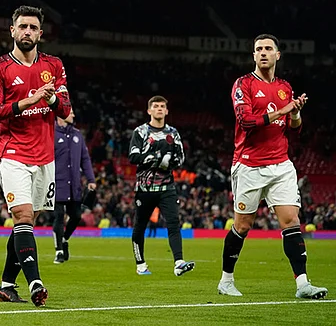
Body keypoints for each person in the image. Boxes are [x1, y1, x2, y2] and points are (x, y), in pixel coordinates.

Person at [218, 34, 327, 299]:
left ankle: (302, 284)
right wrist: (282, 110)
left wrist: (295, 112)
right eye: (258, 49)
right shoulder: (242, 84)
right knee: (242, 225)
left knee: (291, 221)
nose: (263, 52)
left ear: (278, 55)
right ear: (253, 55)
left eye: (268, 48)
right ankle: (226, 280)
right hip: (249, 165)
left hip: (281, 164)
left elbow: (295, 129)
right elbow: (245, 121)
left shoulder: (284, 87)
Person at [0, 5, 71, 307]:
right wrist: (28, 100)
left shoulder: (54, 66)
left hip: (44, 156)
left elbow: (66, 109)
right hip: (12, 153)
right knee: (23, 216)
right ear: (12, 31)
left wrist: (52, 97)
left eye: (33, 28)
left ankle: (7, 285)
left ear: (41, 34)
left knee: (28, 221)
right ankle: (35, 282)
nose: (28, 32)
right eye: (23, 27)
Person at [128, 95, 194, 277]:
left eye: (162, 106)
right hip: (145, 189)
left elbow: (180, 158)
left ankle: (179, 262)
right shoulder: (140, 132)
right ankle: (140, 264)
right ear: (149, 111)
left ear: (166, 111)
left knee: (174, 223)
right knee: (140, 226)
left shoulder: (173, 133)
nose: (158, 109)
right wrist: (156, 159)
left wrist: (170, 162)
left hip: (167, 188)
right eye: (155, 106)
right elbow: (133, 157)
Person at [52, 109, 95, 264]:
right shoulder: (51, 133)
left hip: (74, 185)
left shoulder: (77, 135)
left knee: (76, 216)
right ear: (60, 114)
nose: (73, 115)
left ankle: (64, 238)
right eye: (70, 112)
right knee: (58, 216)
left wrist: (91, 179)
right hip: (56, 183)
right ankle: (58, 251)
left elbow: (85, 159)